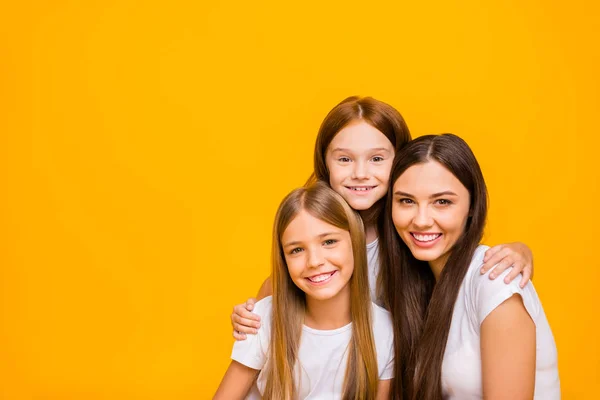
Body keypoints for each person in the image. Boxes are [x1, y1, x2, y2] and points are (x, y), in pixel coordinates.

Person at [231, 96, 534, 340]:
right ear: (325, 163)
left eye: (377, 159)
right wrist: (253, 315)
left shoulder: (412, 228)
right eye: (344, 159)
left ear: (401, 161)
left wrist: (521, 249)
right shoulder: (315, 220)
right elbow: (284, 280)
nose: (360, 173)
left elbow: (460, 258)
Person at [381, 133, 559, 399]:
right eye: (406, 201)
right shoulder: (416, 283)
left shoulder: (495, 281)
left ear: (472, 205)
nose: (420, 220)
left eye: (442, 202)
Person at [214, 182, 395, 399]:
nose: (314, 261)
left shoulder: (385, 331)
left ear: (355, 242)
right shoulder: (264, 319)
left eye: (329, 241)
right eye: (297, 250)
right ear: (284, 259)